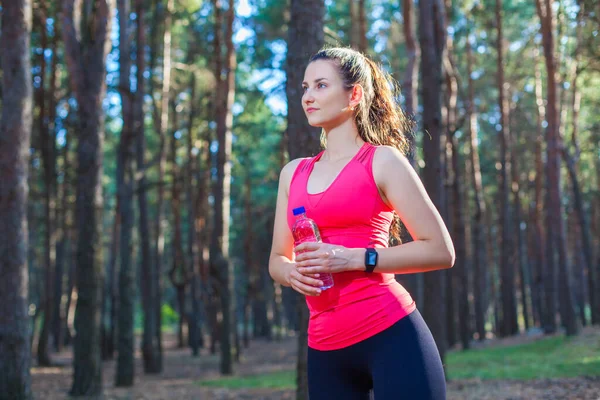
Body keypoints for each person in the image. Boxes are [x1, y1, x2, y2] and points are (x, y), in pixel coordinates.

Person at [268, 47, 455, 400]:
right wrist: (290, 274)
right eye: (305, 87)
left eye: (321, 85)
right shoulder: (292, 173)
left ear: (353, 94)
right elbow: (278, 258)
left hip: (390, 333)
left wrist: (356, 258)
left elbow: (440, 250)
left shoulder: (382, 161)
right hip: (324, 347)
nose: (308, 96)